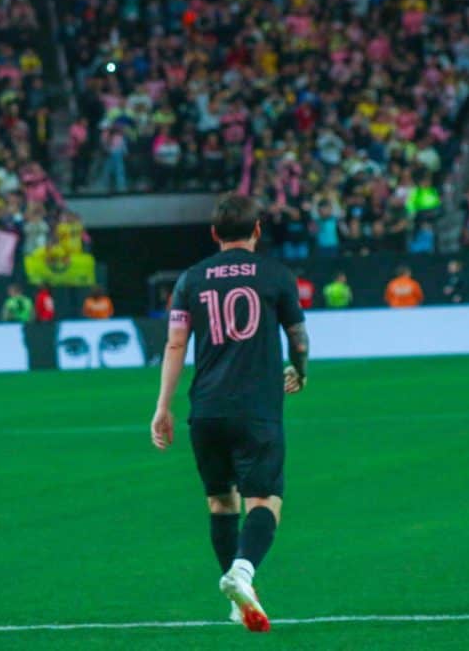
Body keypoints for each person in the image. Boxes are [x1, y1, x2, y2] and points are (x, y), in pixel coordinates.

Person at [149, 195, 308, 633]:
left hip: (207, 410)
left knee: (221, 501)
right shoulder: (276, 275)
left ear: (214, 234)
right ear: (257, 229)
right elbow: (298, 334)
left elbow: (175, 345)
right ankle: (242, 572)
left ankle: (239, 602)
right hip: (256, 408)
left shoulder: (190, 279)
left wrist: (163, 407)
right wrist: (300, 369)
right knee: (265, 499)